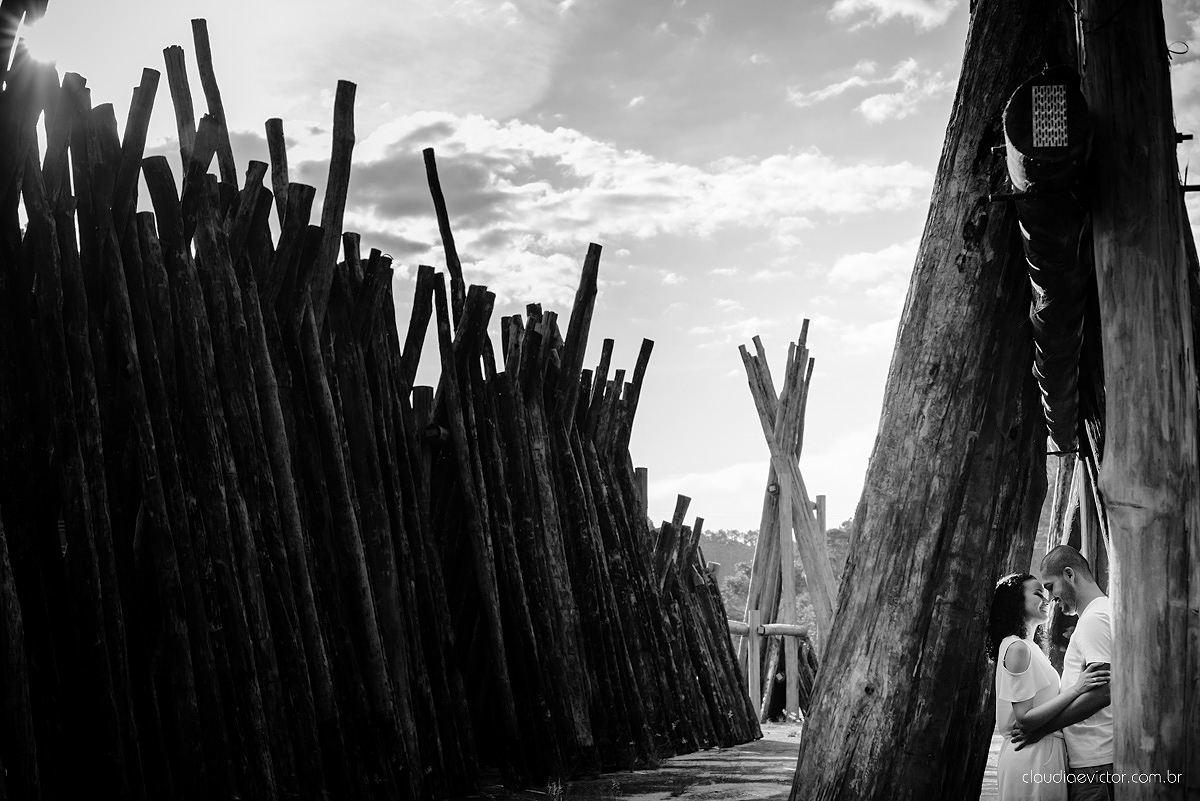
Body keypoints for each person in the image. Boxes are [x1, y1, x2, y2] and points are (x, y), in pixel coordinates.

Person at [988, 572, 1110, 801]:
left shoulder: (1028, 647)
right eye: (1038, 593)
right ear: (1015, 601)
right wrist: (1077, 688)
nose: (1047, 600)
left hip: (1044, 750)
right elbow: (1024, 720)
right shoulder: (1017, 648)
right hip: (1030, 753)